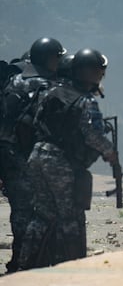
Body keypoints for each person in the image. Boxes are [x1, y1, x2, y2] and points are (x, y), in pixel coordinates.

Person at [19, 48, 116, 269]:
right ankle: (72, 267)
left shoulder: (50, 92)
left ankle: (25, 265)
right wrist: (110, 153)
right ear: (90, 73)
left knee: (42, 215)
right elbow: (92, 135)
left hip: (37, 155)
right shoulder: (84, 101)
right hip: (60, 163)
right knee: (70, 217)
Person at [0, 37, 66, 273]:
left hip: (9, 156)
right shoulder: (47, 85)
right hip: (32, 158)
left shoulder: (11, 81)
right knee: (43, 214)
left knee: (20, 212)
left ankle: (19, 261)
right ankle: (34, 263)